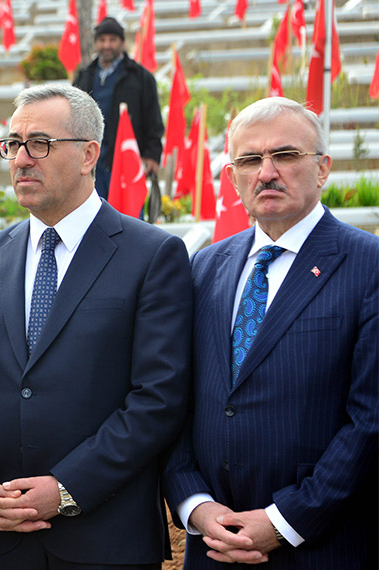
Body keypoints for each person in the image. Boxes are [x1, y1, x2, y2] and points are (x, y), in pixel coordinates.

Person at [0, 84, 192, 569]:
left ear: (89, 154)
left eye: (40, 144)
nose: (21, 160)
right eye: (13, 144)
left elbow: (158, 399)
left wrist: (66, 487)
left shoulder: (152, 255)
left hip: (104, 538)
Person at [163, 97, 378, 567]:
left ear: (322, 168)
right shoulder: (204, 267)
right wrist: (194, 503)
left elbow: (370, 421)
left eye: (284, 154)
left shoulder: (369, 265)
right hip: (213, 545)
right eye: (249, 160)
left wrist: (284, 521)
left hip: (322, 546)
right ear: (231, 177)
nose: (266, 172)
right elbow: (176, 398)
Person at [73, 17, 164, 200]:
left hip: (126, 158)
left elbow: (153, 119)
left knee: (127, 211)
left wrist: (152, 155)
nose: (107, 45)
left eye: (112, 40)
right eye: (102, 40)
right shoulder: (84, 76)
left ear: (122, 43)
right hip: (90, 160)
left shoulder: (141, 77)